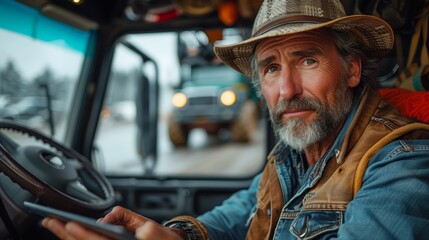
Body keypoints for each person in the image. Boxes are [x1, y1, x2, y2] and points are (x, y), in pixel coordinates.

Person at [42, 0, 429, 239]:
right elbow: (245, 209)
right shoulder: (296, 152)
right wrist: (179, 236)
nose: (287, 89)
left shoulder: (401, 160)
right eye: (271, 68)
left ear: (353, 69)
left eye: (308, 60)